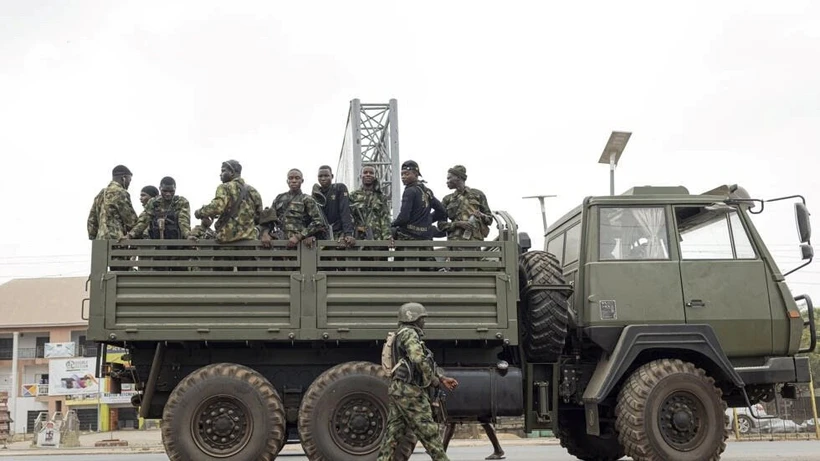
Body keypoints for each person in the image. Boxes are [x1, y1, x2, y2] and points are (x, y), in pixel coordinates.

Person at [377, 302, 458, 461]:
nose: (424, 322)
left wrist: (441, 378)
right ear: (413, 318)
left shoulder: (401, 333)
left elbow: (422, 361)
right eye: (422, 318)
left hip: (399, 389)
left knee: (392, 434)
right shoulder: (410, 334)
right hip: (410, 392)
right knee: (429, 433)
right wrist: (433, 380)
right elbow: (418, 359)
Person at [194, 160, 263, 271]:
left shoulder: (225, 187)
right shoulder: (253, 191)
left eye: (223, 171)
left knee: (222, 281)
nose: (220, 174)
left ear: (232, 172)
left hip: (226, 241)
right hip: (247, 243)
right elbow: (259, 216)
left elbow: (217, 207)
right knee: (248, 281)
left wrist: (199, 212)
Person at [260, 169, 325, 249]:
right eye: (291, 178)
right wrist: (265, 234)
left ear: (302, 180)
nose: (294, 181)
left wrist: (299, 236)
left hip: (300, 245)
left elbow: (318, 222)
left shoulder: (307, 199)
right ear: (287, 181)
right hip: (279, 243)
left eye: (297, 178)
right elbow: (270, 219)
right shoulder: (279, 198)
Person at [437, 165, 493, 241]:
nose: (447, 181)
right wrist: (457, 224)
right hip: (454, 243)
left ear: (458, 177)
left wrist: (481, 215)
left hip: (474, 243)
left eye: (449, 178)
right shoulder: (447, 199)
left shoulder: (478, 194)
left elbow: (490, 219)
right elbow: (440, 225)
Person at [125, 177, 191, 240]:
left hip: (176, 242)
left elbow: (183, 221)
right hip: (156, 242)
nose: (168, 194)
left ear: (175, 189)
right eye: (164, 191)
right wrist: (130, 235)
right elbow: (143, 221)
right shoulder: (153, 202)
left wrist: (188, 235)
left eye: (171, 191)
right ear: (160, 188)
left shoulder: (182, 202)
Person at [87, 165, 138, 241]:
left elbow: (91, 221)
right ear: (123, 178)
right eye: (129, 180)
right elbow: (131, 221)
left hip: (100, 242)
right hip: (116, 242)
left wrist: (95, 239)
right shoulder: (121, 193)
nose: (129, 184)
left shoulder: (100, 194)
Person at [314, 165, 355, 247]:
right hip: (322, 235)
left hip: (339, 233)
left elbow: (345, 211)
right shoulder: (315, 194)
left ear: (332, 176)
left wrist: (348, 233)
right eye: (320, 176)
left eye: (326, 176)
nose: (323, 178)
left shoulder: (339, 188)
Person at [349, 165, 392, 241]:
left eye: (371, 173)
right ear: (361, 176)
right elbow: (349, 217)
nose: (368, 174)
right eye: (365, 172)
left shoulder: (381, 197)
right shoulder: (353, 196)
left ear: (375, 176)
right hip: (358, 239)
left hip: (377, 239)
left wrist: (387, 237)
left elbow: (385, 218)